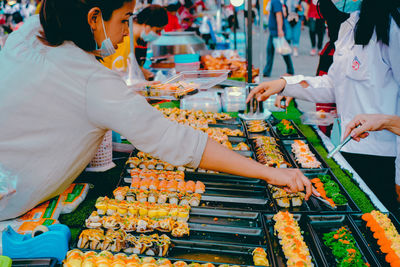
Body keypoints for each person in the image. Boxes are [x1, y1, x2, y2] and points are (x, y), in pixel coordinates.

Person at [0, 0, 315, 221]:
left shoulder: (28, 33)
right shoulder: (91, 80)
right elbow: (174, 140)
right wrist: (269, 172)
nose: (127, 32)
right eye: (124, 19)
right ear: (94, 18)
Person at [247, 0, 400, 212]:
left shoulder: (393, 28)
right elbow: (332, 84)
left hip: (386, 159)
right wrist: (284, 84)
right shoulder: (351, 25)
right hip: (348, 147)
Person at [102, 5, 168, 80]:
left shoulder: (132, 41)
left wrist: (140, 71)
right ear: (146, 25)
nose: (157, 35)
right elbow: (120, 74)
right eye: (157, 31)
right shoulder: (125, 41)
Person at [263, 0, 294, 77]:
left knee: (283, 50)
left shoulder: (275, 1)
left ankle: (290, 70)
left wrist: (280, 30)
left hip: (276, 31)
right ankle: (267, 71)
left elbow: (279, 15)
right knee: (271, 50)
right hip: (274, 31)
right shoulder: (273, 1)